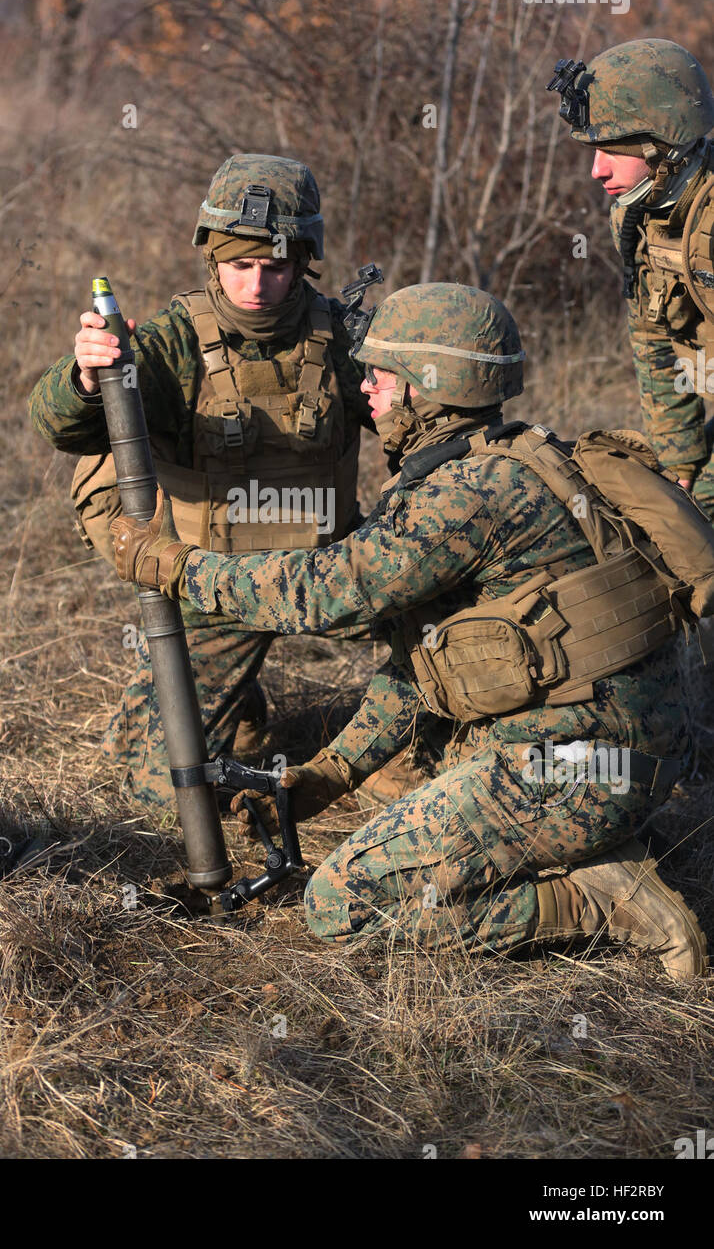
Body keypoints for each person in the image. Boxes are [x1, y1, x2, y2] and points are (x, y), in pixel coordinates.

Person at [110, 281, 709, 978]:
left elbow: (324, 593)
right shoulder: (509, 459)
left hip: (575, 766)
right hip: (612, 755)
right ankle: (595, 843)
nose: (367, 390)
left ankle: (600, 901)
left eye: (383, 376)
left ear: (430, 388)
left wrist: (174, 566)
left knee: (342, 903)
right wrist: (329, 776)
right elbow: (421, 666)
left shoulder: (468, 495)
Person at [28, 154, 384, 810]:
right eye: (238, 265)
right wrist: (85, 377)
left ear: (304, 259)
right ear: (211, 259)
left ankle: (420, 744)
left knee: (461, 637)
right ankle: (238, 708)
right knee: (158, 786)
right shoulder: (171, 342)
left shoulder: (344, 338)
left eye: (274, 266)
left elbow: (418, 425)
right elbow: (63, 430)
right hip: (212, 580)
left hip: (331, 563)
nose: (255, 284)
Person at [549, 39, 714, 518]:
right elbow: (653, 336)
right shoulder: (634, 216)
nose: (596, 171)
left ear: (664, 142)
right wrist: (680, 455)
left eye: (610, 151)